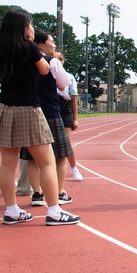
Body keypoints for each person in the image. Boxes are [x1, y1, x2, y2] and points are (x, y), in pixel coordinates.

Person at [0, 9, 80, 226]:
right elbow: (45, 70)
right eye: (29, 25)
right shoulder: (28, 47)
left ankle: (11, 210)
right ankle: (54, 211)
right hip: (28, 108)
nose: (31, 29)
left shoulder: (1, 49)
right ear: (23, 27)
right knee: (46, 162)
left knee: (7, 164)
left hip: (4, 107)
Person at [20, 30, 74, 207]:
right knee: (59, 156)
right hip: (50, 112)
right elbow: (63, 84)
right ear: (41, 45)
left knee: (32, 158)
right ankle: (58, 192)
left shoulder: (23, 60)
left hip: (30, 111)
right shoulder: (52, 63)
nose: (54, 46)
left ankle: (37, 194)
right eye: (52, 42)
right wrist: (58, 62)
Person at [55, 50, 82, 182]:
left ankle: (74, 168)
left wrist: (75, 119)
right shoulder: (46, 73)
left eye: (61, 59)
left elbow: (73, 99)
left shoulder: (70, 77)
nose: (59, 61)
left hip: (64, 108)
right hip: (50, 104)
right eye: (57, 59)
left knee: (67, 142)